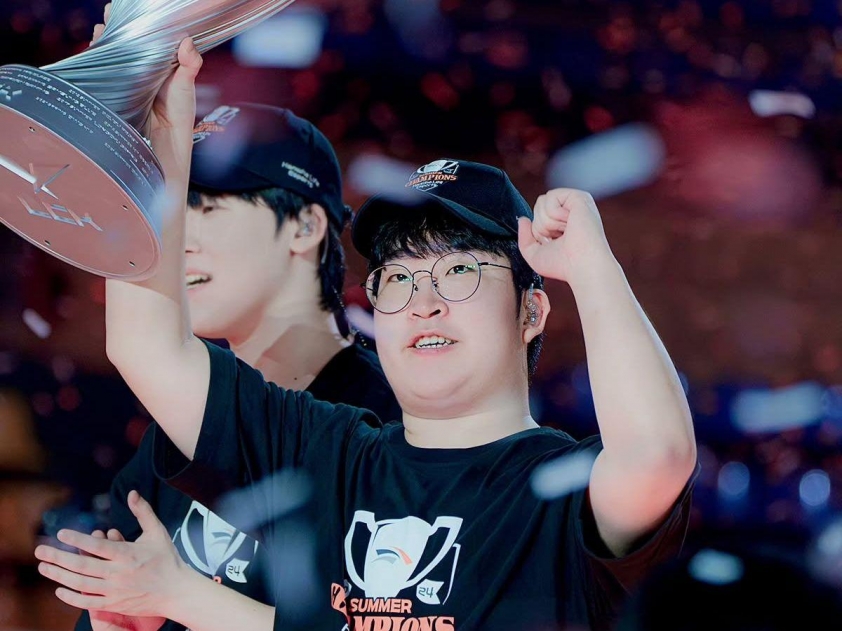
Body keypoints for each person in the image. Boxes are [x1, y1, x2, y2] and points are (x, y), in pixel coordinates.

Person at [35, 40, 698, 631]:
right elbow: (146, 345)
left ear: (532, 311)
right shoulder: (327, 450)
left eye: (459, 272)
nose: (424, 304)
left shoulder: (556, 486)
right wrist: (150, 145)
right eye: (398, 280)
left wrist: (592, 267)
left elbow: (658, 453)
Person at [70, 39, 400, 631]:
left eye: (208, 207)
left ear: (304, 225)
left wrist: (183, 599)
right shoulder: (170, 440)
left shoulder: (389, 422)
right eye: (175, 212)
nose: (179, 241)